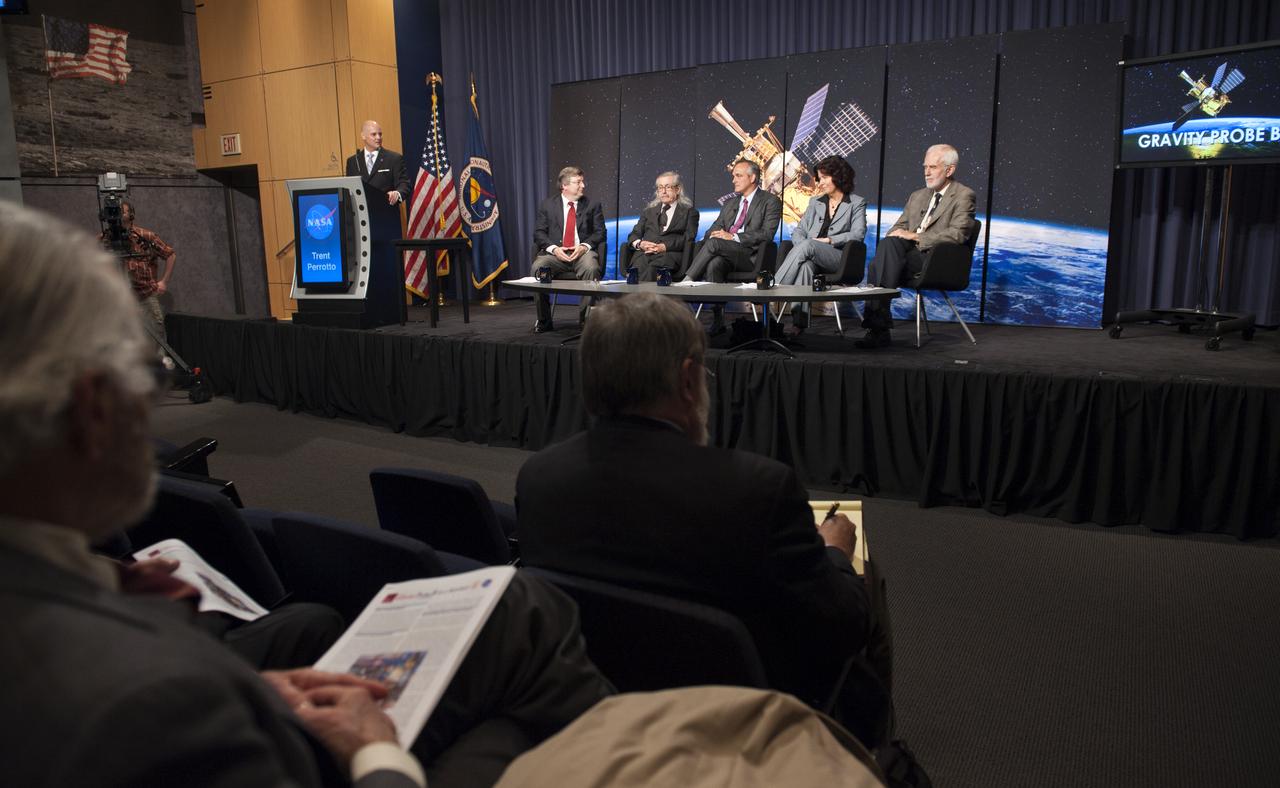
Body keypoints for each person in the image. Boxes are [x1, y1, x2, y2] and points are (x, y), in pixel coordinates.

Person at [0, 202, 613, 788]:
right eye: (134, 365)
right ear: (89, 408)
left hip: (245, 694)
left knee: (506, 617)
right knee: (524, 640)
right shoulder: (151, 703)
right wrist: (374, 750)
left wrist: (249, 683)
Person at [515, 292, 892, 747]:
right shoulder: (759, 490)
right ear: (689, 381)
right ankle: (879, 751)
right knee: (867, 576)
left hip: (597, 717)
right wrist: (833, 551)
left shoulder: (538, 479)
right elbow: (841, 626)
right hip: (741, 733)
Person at [857, 144, 976, 349]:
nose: (927, 172)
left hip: (935, 259)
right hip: (906, 256)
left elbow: (959, 234)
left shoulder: (964, 195)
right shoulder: (917, 195)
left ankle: (877, 328)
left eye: (933, 167)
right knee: (889, 245)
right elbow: (898, 227)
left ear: (950, 170)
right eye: (924, 167)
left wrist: (916, 236)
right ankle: (879, 327)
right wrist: (898, 235)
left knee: (880, 263)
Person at [682, 159, 782, 335]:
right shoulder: (730, 204)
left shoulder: (770, 201)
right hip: (726, 253)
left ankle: (688, 281)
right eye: (733, 176)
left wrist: (733, 236)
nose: (733, 180)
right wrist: (716, 234)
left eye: (738, 175)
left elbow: (767, 234)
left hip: (751, 257)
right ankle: (719, 320)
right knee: (715, 263)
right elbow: (712, 229)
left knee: (713, 244)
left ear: (752, 178)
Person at [774, 156, 867, 336]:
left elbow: (858, 234)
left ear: (839, 176)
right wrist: (804, 247)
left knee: (809, 245)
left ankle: (773, 290)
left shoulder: (856, 203)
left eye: (824, 177)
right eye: (819, 178)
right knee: (805, 267)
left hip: (840, 258)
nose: (820, 182)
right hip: (812, 255)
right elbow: (799, 231)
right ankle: (798, 324)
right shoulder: (815, 202)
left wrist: (830, 240)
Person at [531, 166, 607, 332]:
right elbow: (539, 233)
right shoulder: (548, 205)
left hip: (582, 254)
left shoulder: (592, 205)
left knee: (591, 268)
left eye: (582, 181)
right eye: (578, 182)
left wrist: (583, 246)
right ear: (564, 186)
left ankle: (586, 323)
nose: (583, 185)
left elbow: (600, 233)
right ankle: (544, 321)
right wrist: (554, 249)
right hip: (555, 256)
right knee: (538, 268)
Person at [99, 199, 176, 343]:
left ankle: (159, 365)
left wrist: (164, 281)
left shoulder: (145, 236)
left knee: (155, 339)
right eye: (115, 211)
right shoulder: (105, 239)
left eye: (123, 211)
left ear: (131, 215)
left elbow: (170, 254)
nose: (118, 214)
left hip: (144, 296)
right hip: (117, 299)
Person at [624, 171, 699, 281]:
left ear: (677, 189)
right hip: (645, 254)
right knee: (638, 269)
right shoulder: (648, 212)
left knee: (652, 270)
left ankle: (642, 298)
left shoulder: (690, 212)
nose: (663, 192)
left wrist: (664, 247)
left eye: (668, 187)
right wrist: (640, 244)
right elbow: (634, 235)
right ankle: (637, 297)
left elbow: (689, 238)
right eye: (660, 188)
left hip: (669, 255)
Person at [346, 119, 411, 213]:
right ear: (363, 136)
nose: (378, 137)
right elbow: (349, 189)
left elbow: (404, 184)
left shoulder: (394, 158)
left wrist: (397, 193)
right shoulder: (352, 161)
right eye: (374, 134)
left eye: (380, 134)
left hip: (386, 214)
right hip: (362, 215)